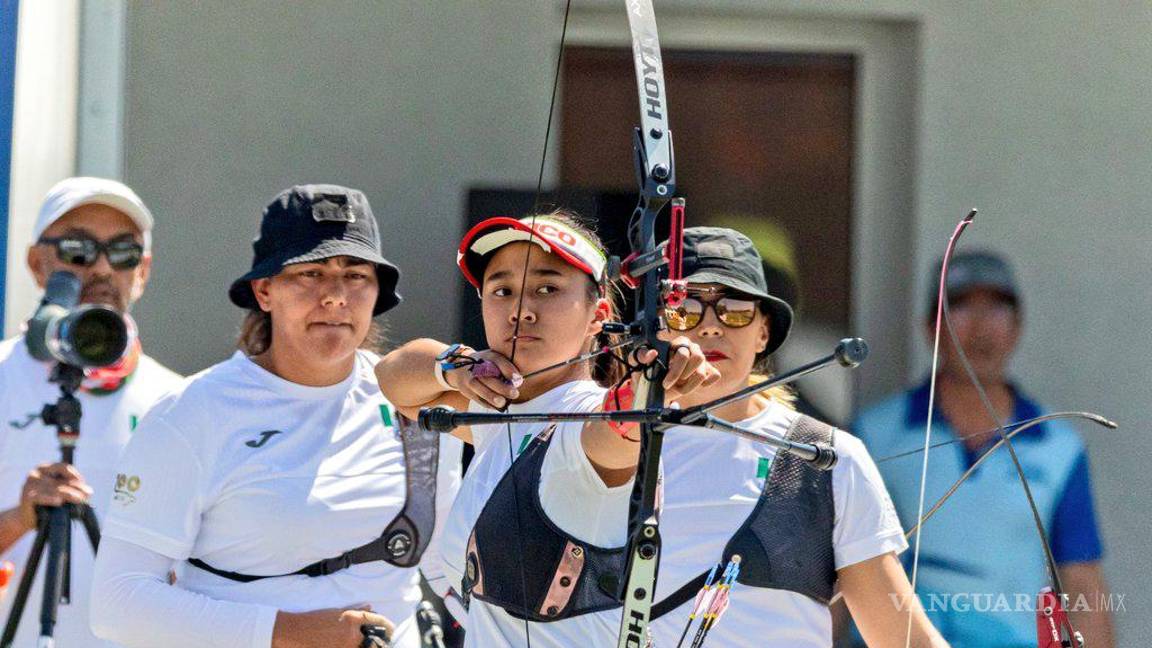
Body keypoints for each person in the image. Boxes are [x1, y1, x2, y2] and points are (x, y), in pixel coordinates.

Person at [89, 185, 462, 648]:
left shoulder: (415, 404)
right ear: (264, 291)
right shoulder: (189, 414)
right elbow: (117, 604)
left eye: (355, 275)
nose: (335, 296)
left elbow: (449, 570)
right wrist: (294, 633)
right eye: (310, 273)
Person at [375, 211, 721, 646]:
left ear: (598, 315)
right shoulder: (499, 411)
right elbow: (393, 379)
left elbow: (613, 434)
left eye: (547, 289)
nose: (521, 310)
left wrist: (648, 385)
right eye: (502, 291)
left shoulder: (582, 420)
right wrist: (455, 366)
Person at [852, 250, 1114, 647]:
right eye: (960, 307)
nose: (980, 327)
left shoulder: (1058, 448)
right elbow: (839, 569)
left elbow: (1081, 581)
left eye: (997, 309)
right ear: (930, 327)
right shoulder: (873, 436)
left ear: (1018, 327)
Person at [0, 177, 183, 646]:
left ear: (143, 270)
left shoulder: (180, 399)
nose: (101, 267)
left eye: (123, 252)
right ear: (36, 263)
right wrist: (19, 519)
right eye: (78, 249)